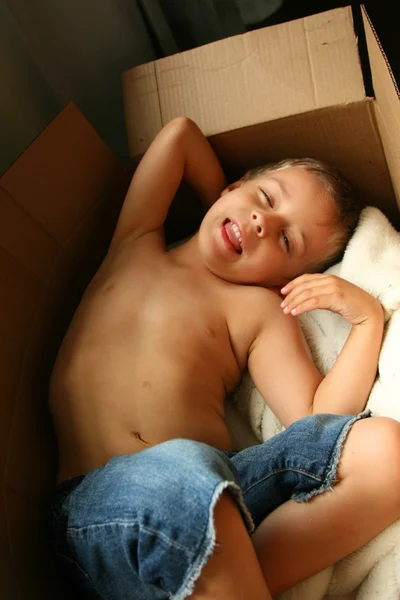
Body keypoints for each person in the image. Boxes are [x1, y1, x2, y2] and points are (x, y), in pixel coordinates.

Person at [47, 117, 400, 600]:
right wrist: (224, 198)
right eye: (267, 199)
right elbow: (179, 136)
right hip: (103, 509)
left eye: (285, 241)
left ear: (284, 281)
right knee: (181, 472)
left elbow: (317, 419)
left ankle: (231, 579)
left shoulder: (258, 312)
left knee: (386, 452)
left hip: (223, 488)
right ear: (235, 186)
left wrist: (367, 320)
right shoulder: (137, 243)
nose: (262, 222)